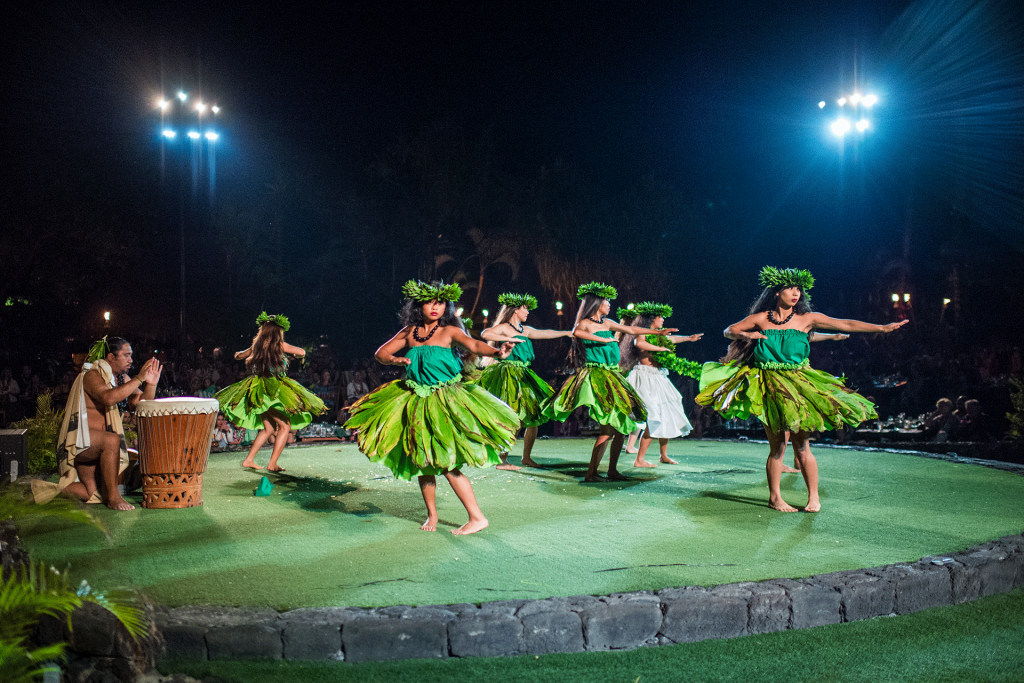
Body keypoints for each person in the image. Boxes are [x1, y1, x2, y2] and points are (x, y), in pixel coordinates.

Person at [696, 267, 907, 513]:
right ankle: (775, 498)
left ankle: (813, 497)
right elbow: (728, 330)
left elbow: (845, 323)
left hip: (799, 383)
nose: (795, 293)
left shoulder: (808, 318)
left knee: (803, 444)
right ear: (776, 292)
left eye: (798, 289)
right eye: (790, 289)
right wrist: (748, 334)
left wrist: (881, 328)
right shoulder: (762, 318)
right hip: (770, 384)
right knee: (777, 446)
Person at [345, 280, 520, 535]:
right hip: (416, 400)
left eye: (440, 302)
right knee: (422, 460)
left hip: (447, 400)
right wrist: (395, 359)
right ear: (419, 305)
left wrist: (497, 352)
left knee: (446, 462)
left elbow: (473, 345)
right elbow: (380, 354)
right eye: (429, 302)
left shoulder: (450, 331)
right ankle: (432, 515)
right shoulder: (409, 333)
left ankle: (477, 517)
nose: (435, 307)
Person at [546, 282, 676, 482]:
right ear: (597, 303)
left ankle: (612, 470)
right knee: (608, 428)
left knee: (621, 427)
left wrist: (657, 333)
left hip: (612, 376)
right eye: (607, 301)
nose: (609, 305)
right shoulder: (585, 323)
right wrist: (602, 340)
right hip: (597, 376)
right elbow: (577, 333)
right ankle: (591, 473)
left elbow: (631, 330)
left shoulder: (607, 323)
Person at [34, 336, 161, 510]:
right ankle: (114, 498)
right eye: (126, 355)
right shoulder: (92, 375)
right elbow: (108, 398)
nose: (131, 360)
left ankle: (37, 489)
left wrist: (150, 384)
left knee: (90, 493)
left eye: (131, 355)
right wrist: (139, 378)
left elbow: (141, 405)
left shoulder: (122, 378)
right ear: (111, 357)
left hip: (100, 449)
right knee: (112, 440)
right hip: (83, 443)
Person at [215, 313, 326, 472]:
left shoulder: (256, 347)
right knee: (285, 426)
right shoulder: (280, 345)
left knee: (268, 429)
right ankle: (272, 463)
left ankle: (249, 460)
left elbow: (238, 355)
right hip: (271, 390)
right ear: (277, 332)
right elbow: (302, 352)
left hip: (257, 388)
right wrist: (292, 352)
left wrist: (241, 354)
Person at [478, 292, 573, 469]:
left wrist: (567, 332)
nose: (527, 311)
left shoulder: (525, 330)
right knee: (514, 418)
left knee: (534, 417)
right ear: (515, 310)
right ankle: (502, 459)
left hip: (524, 374)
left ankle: (526, 457)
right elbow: (486, 333)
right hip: (508, 374)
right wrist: (507, 338)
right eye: (525, 308)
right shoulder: (505, 327)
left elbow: (545, 333)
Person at [618, 302, 703, 468]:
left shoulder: (659, 335)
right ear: (652, 319)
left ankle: (663, 455)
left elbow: (672, 339)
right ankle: (639, 459)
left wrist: (688, 338)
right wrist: (660, 349)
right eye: (661, 317)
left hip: (659, 377)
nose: (663, 320)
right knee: (654, 417)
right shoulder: (643, 334)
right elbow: (639, 344)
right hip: (644, 378)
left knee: (667, 413)